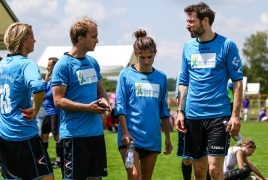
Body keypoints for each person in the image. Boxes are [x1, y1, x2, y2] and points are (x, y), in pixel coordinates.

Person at [175, 2, 243, 180]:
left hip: (218, 116)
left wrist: (235, 115)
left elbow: (237, 81)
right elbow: (183, 81)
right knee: (199, 171)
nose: (187, 25)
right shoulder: (187, 47)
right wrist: (180, 112)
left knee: (214, 170)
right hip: (193, 116)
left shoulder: (227, 45)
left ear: (205, 21)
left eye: (191, 21)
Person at [51, 16, 111, 180]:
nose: (97, 40)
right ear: (80, 38)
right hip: (74, 136)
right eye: (94, 36)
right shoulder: (63, 65)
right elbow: (58, 100)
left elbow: (101, 91)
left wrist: (104, 100)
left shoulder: (93, 62)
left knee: (96, 178)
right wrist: (87, 108)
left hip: (96, 134)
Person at [115, 29, 173, 180]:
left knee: (146, 177)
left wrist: (167, 136)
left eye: (150, 57)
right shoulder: (126, 75)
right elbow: (120, 105)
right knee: (134, 175)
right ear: (136, 54)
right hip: (130, 137)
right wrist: (125, 132)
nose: (146, 61)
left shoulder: (161, 77)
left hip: (152, 137)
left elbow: (164, 109)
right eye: (142, 57)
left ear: (155, 53)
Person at [0, 22, 54, 179]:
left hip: (4, 135)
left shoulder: (2, 64)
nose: (35, 41)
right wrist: (36, 109)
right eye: (32, 37)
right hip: (23, 133)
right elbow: (38, 86)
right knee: (47, 177)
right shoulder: (26, 64)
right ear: (23, 40)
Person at [41, 57, 61, 169]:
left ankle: (59, 159)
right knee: (44, 134)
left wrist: (44, 92)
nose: (47, 67)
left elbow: (48, 95)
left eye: (49, 65)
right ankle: (44, 159)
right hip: (47, 111)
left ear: (54, 66)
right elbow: (42, 93)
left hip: (55, 111)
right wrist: (46, 79)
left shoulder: (56, 79)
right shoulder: (49, 79)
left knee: (56, 135)